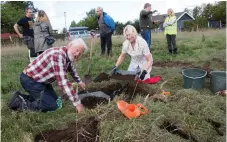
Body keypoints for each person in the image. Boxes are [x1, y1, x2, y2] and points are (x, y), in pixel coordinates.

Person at [8, 38, 87, 113]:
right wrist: (77, 104)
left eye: (80, 53)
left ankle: (20, 96)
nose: (77, 54)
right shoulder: (58, 55)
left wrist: (79, 82)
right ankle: (18, 103)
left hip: (41, 82)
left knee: (56, 102)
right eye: (77, 50)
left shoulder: (67, 56)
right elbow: (63, 82)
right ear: (70, 45)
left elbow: (72, 69)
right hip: (30, 80)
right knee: (52, 106)